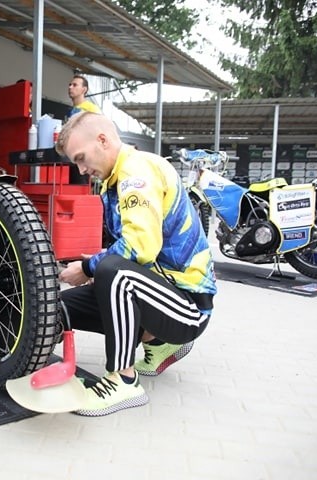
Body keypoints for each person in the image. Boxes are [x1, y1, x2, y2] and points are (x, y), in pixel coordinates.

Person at [55, 112, 217, 417]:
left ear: (102, 140)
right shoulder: (111, 181)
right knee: (58, 307)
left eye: (80, 157)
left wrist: (89, 268)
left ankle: (123, 381)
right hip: (160, 293)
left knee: (112, 272)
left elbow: (141, 246)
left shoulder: (136, 171)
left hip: (189, 308)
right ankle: (157, 343)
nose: (80, 168)